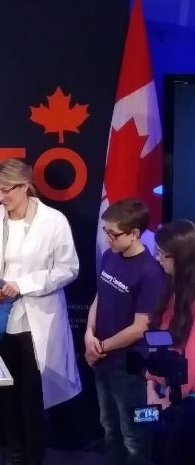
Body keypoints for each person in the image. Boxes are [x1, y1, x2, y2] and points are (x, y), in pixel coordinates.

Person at [0, 158, 80, 465]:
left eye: (7, 190)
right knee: (5, 395)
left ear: (26, 186)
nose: (1, 196)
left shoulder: (53, 221)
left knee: (32, 398)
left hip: (35, 321)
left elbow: (68, 268)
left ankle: (34, 459)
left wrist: (25, 283)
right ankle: (15, 455)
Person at [84, 198, 163, 465]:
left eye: (114, 234)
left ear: (134, 234)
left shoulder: (150, 272)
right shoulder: (110, 256)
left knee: (135, 434)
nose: (108, 239)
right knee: (109, 427)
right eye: (105, 232)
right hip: (102, 359)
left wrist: (101, 346)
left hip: (129, 367)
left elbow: (140, 328)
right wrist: (88, 334)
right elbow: (100, 296)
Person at [147, 219, 195, 465]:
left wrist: (171, 398)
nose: (157, 259)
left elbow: (191, 359)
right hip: (165, 393)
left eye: (163, 255)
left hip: (185, 403)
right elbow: (159, 340)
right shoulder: (170, 289)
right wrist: (151, 385)